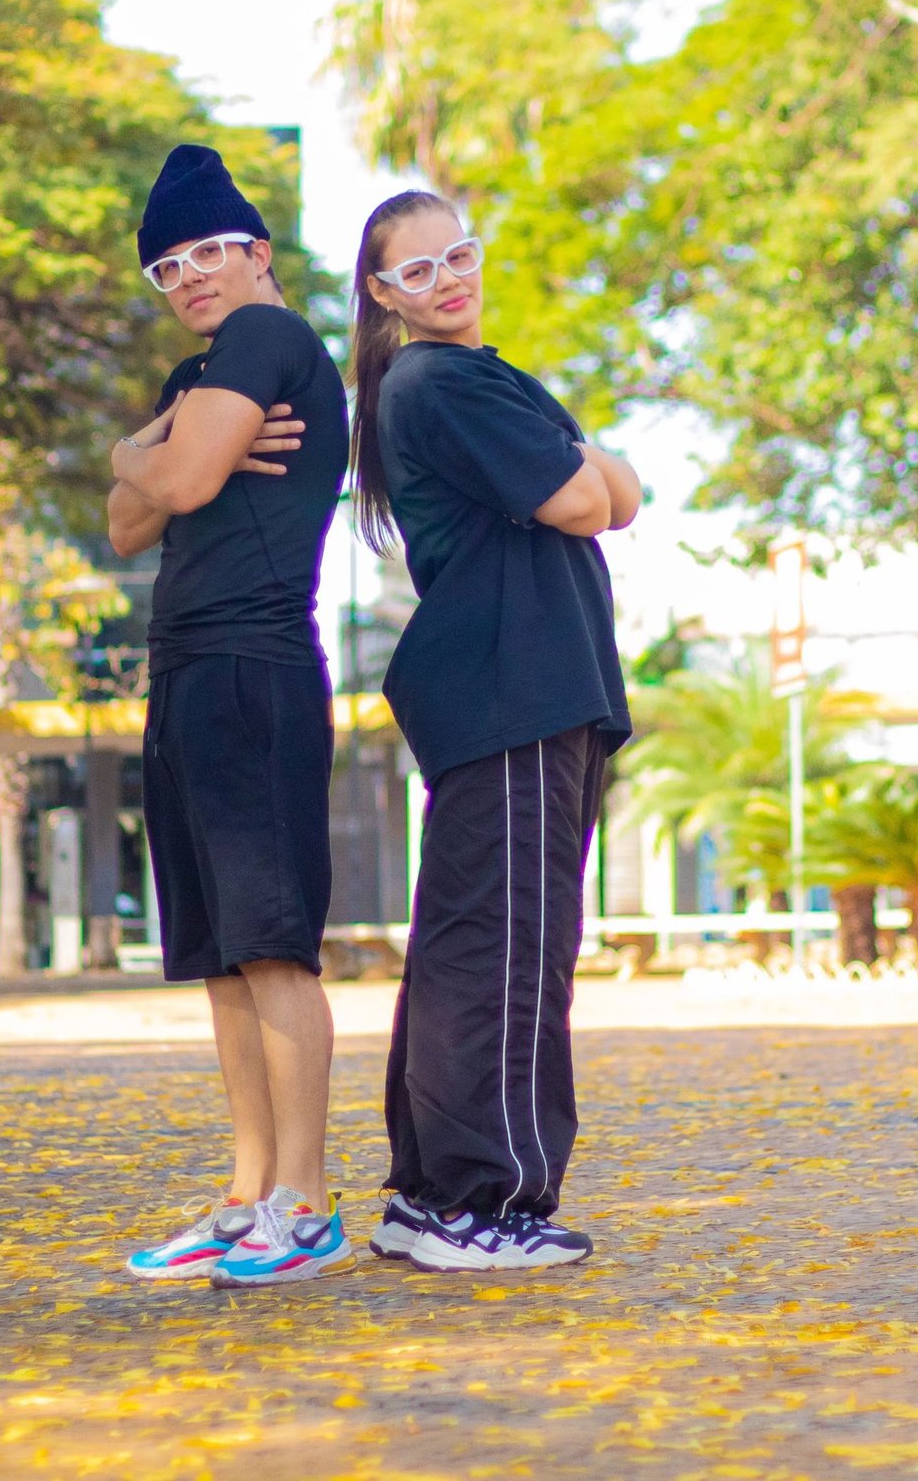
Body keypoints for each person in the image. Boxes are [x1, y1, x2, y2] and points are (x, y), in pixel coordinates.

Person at [346, 189, 640, 1272]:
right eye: (416, 272)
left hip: (527, 690)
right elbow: (584, 499)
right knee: (506, 953)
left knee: (479, 944)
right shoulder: (440, 380)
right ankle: (479, 1201)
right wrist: (581, 460)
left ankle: (431, 1195)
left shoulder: (474, 377)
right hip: (511, 685)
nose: (447, 279)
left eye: (458, 255)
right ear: (382, 295)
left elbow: (627, 495)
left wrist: (584, 466)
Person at [106, 144, 354, 1288]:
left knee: (272, 950)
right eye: (168, 265)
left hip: (254, 668)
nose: (192, 275)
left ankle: (303, 1203)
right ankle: (246, 1194)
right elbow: (124, 523)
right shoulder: (196, 380)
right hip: (186, 674)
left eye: (209, 251)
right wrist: (149, 452)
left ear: (255, 251)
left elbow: (182, 487)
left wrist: (151, 455)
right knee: (216, 958)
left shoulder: (266, 338)